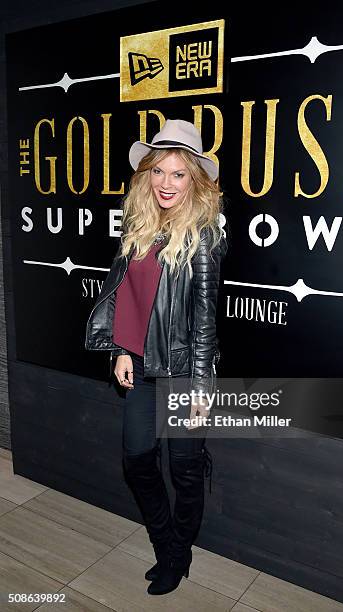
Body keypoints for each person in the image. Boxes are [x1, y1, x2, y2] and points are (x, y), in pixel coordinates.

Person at [85, 119, 228, 596]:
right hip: (141, 367)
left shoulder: (203, 237)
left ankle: (178, 550)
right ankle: (168, 545)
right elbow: (130, 296)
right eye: (159, 172)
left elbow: (206, 322)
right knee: (137, 461)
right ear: (146, 174)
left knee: (185, 471)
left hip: (184, 371)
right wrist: (121, 350)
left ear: (195, 180)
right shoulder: (140, 225)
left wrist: (202, 391)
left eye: (179, 174)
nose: (167, 183)